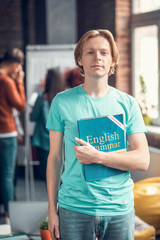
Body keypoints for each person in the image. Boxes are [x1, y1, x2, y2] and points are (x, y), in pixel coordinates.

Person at [46, 29, 150, 240]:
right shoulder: (61, 102)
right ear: (80, 58)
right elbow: (55, 158)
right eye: (90, 52)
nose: (97, 58)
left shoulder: (127, 104)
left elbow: (143, 159)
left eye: (104, 52)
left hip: (119, 208)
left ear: (113, 60)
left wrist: (98, 157)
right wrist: (51, 209)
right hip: (74, 207)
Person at [0, 48, 26, 222]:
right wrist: (20, 82)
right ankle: (10, 214)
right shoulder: (6, 81)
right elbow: (21, 105)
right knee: (7, 175)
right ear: (16, 65)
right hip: (7, 133)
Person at [30, 68, 65, 181]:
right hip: (61, 141)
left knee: (47, 176)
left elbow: (33, 117)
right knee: (61, 175)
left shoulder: (42, 97)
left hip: (43, 141)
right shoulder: (65, 98)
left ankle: (52, 198)